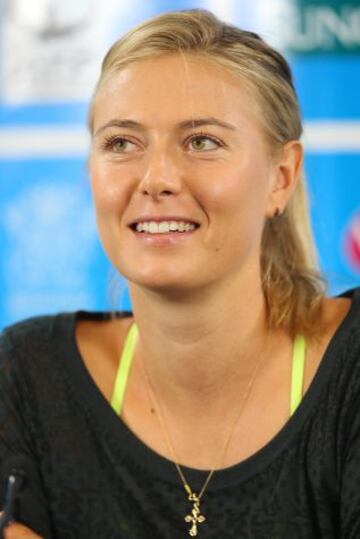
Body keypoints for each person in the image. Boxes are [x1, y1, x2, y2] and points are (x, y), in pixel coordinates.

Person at [0, 8, 359, 539]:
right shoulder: (26, 375)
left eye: (202, 142)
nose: (156, 178)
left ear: (281, 176)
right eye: (122, 143)